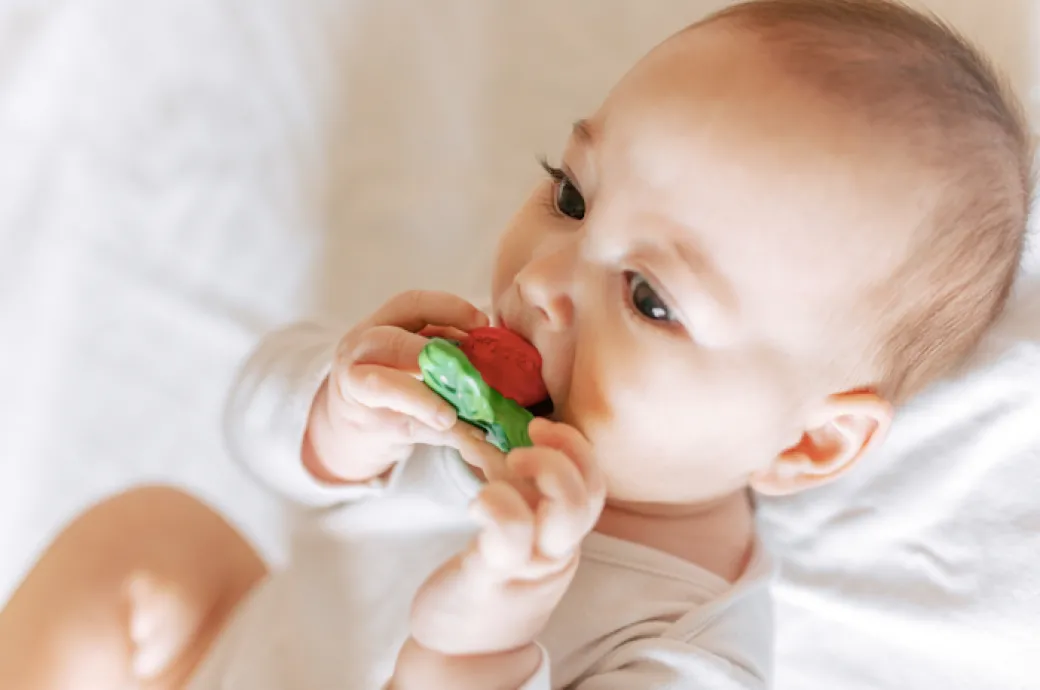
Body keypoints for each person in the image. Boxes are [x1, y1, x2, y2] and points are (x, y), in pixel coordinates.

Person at [1, 1, 1031, 688]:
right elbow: (253, 434)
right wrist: (335, 413)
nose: (541, 281)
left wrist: (488, 625)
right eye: (572, 195)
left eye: (647, 298)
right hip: (238, 659)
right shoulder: (467, 397)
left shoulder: (686, 654)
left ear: (806, 446)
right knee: (148, 539)